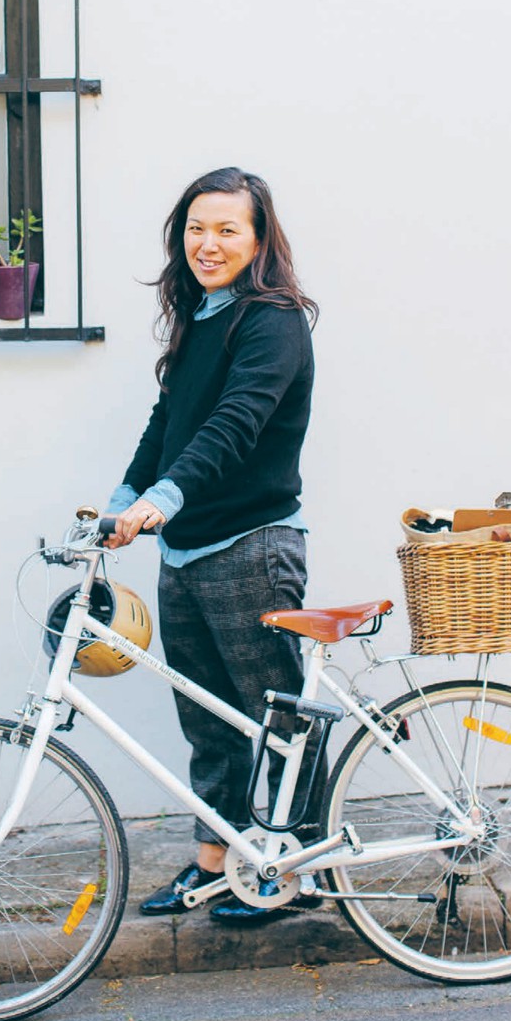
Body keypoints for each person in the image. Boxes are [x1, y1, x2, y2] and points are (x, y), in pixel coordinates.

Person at [105, 166, 321, 925]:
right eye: (196, 227)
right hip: (186, 551)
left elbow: (234, 424)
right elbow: (168, 422)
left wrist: (163, 499)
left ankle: (296, 866)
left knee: (275, 719)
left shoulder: (273, 320)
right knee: (210, 723)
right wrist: (122, 500)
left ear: (259, 239)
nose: (208, 242)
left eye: (227, 228)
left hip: (250, 546)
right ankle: (214, 863)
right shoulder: (201, 316)